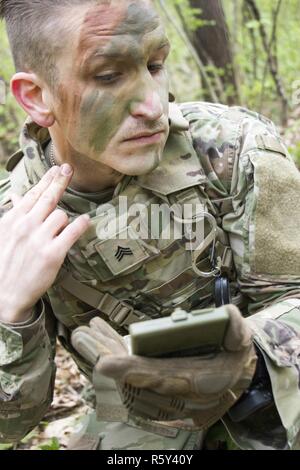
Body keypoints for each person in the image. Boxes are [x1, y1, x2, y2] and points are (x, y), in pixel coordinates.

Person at [0, 0, 299, 451]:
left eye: (155, 65)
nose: (154, 106)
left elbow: (292, 293)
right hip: (140, 421)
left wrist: (250, 354)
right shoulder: (11, 226)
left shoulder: (230, 148)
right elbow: (11, 425)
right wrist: (10, 312)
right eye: (108, 75)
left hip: (271, 396)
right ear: (37, 97)